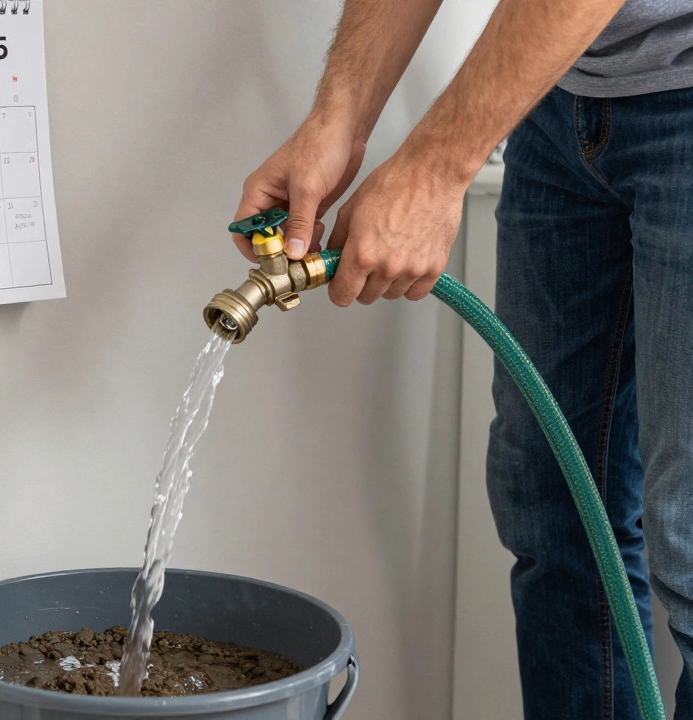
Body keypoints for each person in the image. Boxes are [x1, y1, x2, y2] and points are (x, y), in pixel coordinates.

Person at [233, 0, 693, 717]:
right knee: (553, 519)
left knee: (689, 540)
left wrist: (434, 168)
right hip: (560, 90)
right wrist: (338, 120)